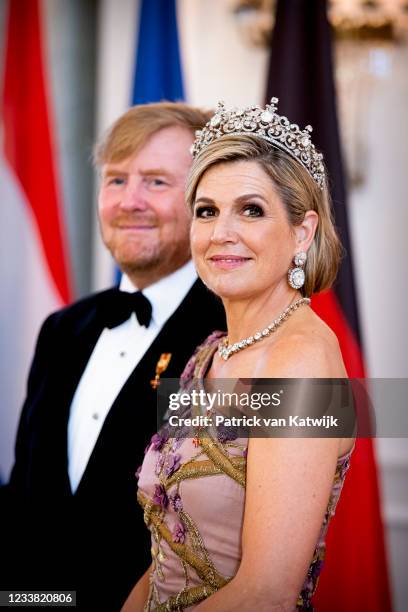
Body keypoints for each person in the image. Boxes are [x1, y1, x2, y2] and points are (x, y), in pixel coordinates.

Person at [123, 98, 355, 611]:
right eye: (207, 212)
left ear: (303, 231)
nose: (221, 233)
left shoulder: (302, 361)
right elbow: (165, 555)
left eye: (251, 210)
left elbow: (266, 594)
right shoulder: (206, 354)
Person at [2, 102, 226, 611]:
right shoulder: (62, 330)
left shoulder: (230, 335)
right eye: (116, 180)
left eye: (156, 182)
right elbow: (25, 497)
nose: (130, 201)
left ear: (205, 204)